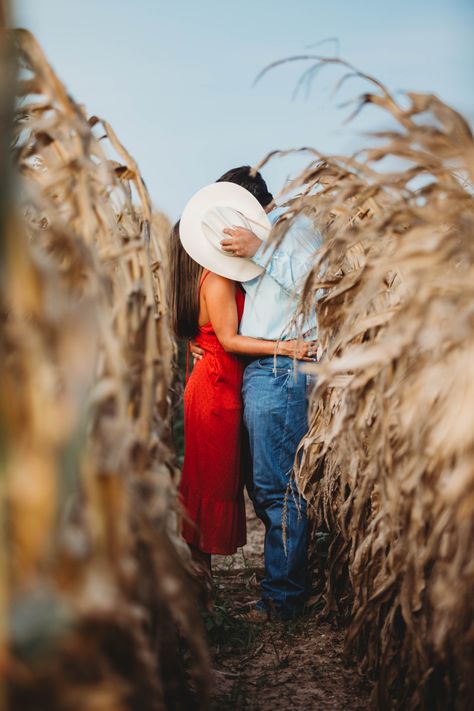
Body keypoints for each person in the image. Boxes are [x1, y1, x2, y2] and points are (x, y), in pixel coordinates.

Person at [191, 166, 320, 620]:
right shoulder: (258, 241)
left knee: (277, 486)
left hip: (283, 367)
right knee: (265, 484)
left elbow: (315, 285)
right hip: (263, 369)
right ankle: (286, 584)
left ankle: (283, 599)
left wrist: (261, 249)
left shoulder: (292, 229)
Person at [168, 221, 310, 586]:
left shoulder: (194, 281)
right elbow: (229, 340)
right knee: (208, 489)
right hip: (217, 390)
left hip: (218, 383)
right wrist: (284, 346)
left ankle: (201, 589)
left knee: (213, 485)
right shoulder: (216, 279)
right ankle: (197, 593)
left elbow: (207, 332)